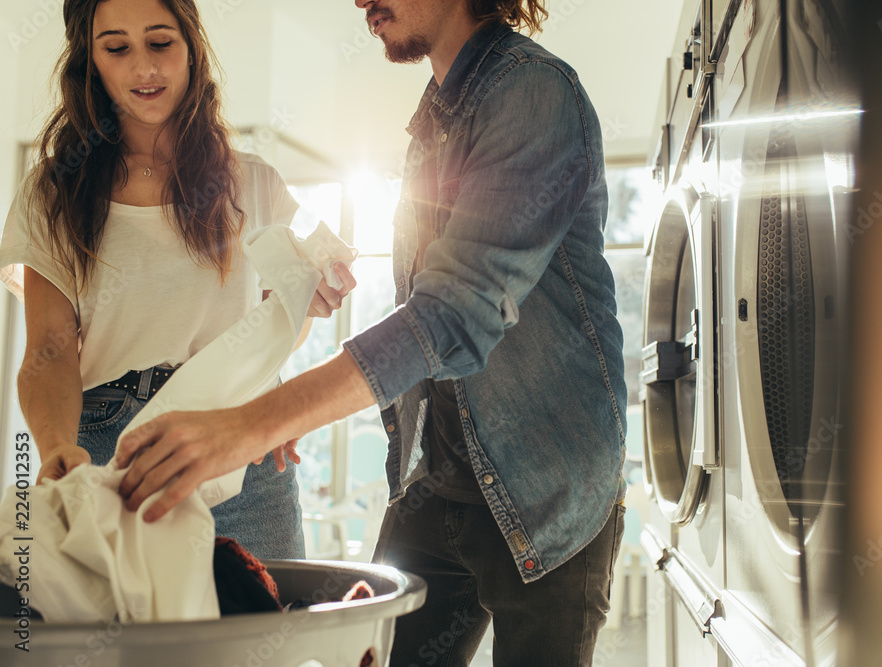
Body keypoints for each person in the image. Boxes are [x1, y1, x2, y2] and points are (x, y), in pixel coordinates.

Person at [115, 0, 627, 661]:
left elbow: (455, 314)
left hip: (545, 485)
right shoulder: (432, 123)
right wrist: (306, 403)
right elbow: (425, 314)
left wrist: (256, 421)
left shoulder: (534, 93)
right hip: (437, 480)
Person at [0, 0, 355, 560]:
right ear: (90, 63)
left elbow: (272, 322)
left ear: (192, 50)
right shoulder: (53, 192)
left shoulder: (253, 183)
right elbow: (48, 349)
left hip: (243, 446)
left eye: (161, 43)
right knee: (130, 642)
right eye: (117, 48)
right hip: (110, 450)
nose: (144, 68)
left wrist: (308, 299)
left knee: (258, 632)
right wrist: (54, 449)